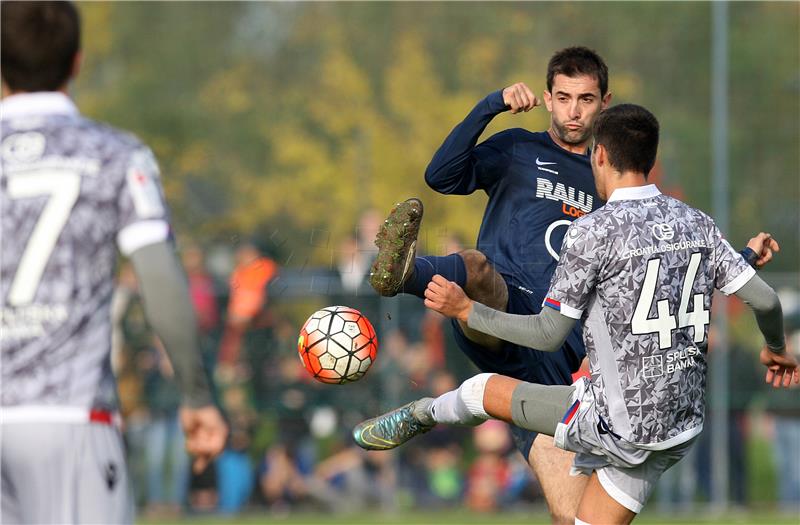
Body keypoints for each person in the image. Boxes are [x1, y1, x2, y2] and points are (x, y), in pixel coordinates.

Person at [366, 46, 779, 522]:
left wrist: (743, 259)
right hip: (507, 315)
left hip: (571, 360)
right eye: (563, 97)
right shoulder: (519, 148)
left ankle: (432, 395)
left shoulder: (618, 184)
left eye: (585, 98)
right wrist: (492, 104)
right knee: (477, 267)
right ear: (547, 98)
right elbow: (440, 176)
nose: (574, 110)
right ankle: (405, 274)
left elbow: (664, 273)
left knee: (570, 516)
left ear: (606, 102)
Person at [0, 3, 227, 523]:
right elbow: (159, 278)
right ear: (77, 62)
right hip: (73, 418)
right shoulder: (115, 154)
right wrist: (196, 393)